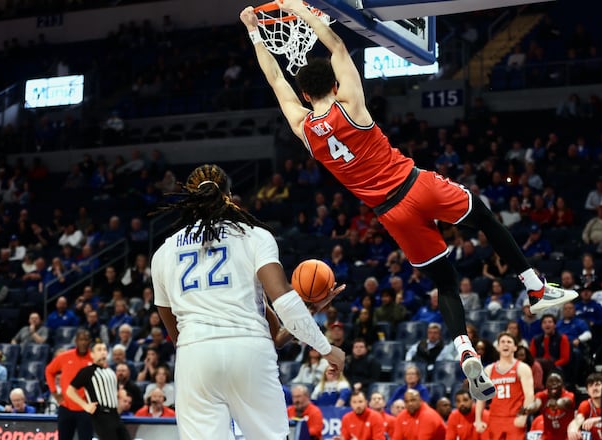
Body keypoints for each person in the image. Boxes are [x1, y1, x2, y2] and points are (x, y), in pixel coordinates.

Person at [240, 0, 576, 400]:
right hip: (417, 185)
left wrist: (253, 31)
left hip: (391, 214)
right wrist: (300, 6)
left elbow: (276, 79)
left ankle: (464, 348)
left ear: (305, 94)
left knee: (445, 283)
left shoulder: (303, 129)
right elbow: (336, 46)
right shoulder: (351, 106)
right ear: (334, 85)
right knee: (485, 218)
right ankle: (535, 287)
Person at [150, 164, 345, 440]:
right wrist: (326, 349)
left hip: (194, 355)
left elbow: (176, 336)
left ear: (190, 201)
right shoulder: (254, 235)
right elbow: (285, 305)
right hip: (250, 350)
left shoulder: (163, 252)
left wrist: (310, 309)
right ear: (230, 196)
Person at [475, 332, 534, 440]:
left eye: (509, 342)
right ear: (497, 347)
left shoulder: (522, 368)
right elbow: (481, 397)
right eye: (502, 342)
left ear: (515, 347)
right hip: (495, 419)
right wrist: (478, 419)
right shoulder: (489, 369)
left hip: (514, 418)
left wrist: (524, 415)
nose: (505, 344)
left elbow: (529, 396)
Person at [65, 342, 131, 440]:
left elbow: (114, 392)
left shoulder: (111, 371)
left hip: (115, 414)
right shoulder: (88, 371)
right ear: (92, 354)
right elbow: (70, 391)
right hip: (101, 415)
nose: (103, 352)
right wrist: (85, 406)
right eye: (99, 350)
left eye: (104, 350)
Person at [45, 329, 94, 440]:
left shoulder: (95, 359)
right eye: (81, 339)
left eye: (86, 340)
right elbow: (49, 371)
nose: (83, 342)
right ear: (76, 341)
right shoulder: (64, 357)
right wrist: (54, 393)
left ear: (90, 341)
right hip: (66, 407)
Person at [526, 372, 575, 440]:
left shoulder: (569, 395)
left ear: (562, 385)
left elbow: (564, 402)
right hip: (548, 436)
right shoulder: (542, 395)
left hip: (567, 436)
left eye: (557, 382)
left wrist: (556, 403)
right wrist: (528, 408)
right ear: (546, 385)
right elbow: (536, 404)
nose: (554, 384)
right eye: (551, 381)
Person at [567, 372, 602, 440]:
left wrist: (598, 420)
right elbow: (577, 420)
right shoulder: (586, 405)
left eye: (597, 384)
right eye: (590, 385)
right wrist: (573, 429)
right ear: (587, 391)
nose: (594, 388)